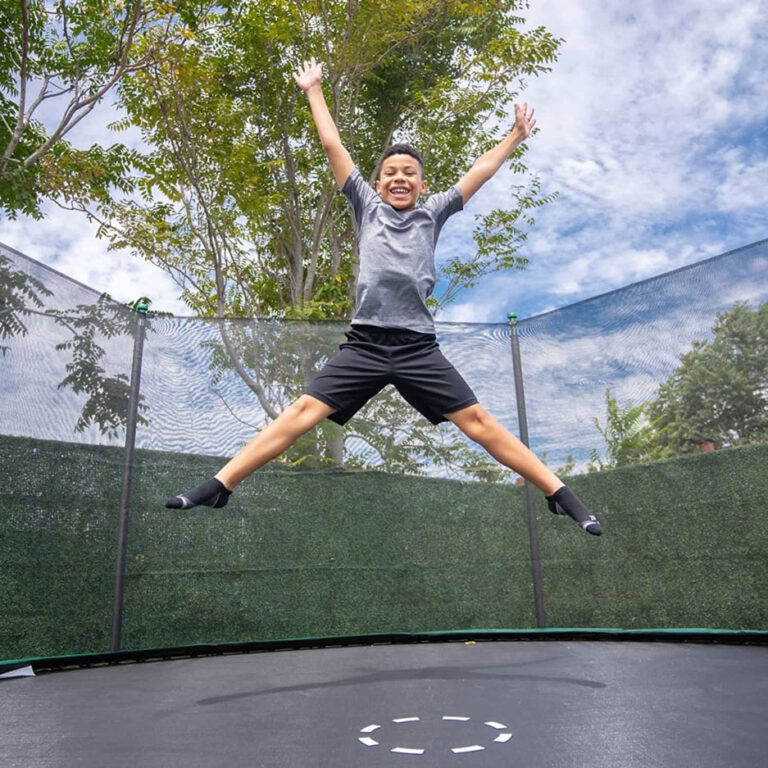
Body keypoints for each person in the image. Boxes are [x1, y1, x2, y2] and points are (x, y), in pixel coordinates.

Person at [166, 57, 603, 536]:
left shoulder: (432, 213)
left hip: (417, 347)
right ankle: (221, 485)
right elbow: (332, 144)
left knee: (477, 419)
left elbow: (480, 171)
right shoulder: (365, 206)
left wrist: (515, 137)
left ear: (422, 185)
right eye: (391, 172)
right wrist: (313, 89)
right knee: (302, 411)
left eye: (409, 173)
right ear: (377, 184)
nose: (399, 178)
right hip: (366, 345)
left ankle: (559, 493)